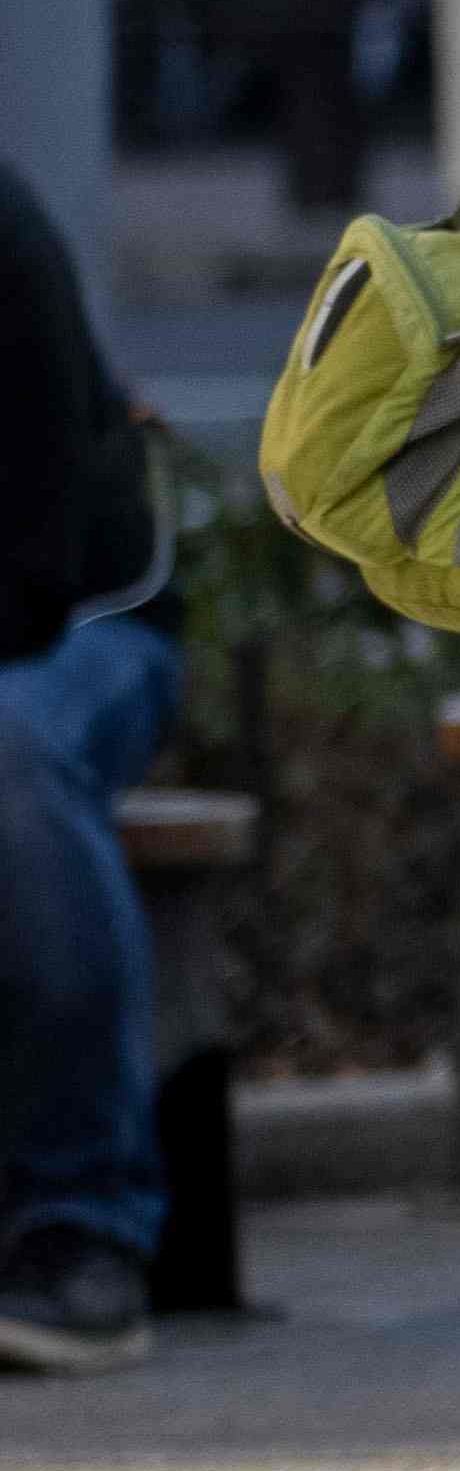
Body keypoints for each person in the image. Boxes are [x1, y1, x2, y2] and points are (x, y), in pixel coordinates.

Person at [0, 158, 178, 1375]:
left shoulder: (5, 235)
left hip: (82, 616)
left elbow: (34, 557)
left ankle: (83, 1222)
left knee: (5, 748)